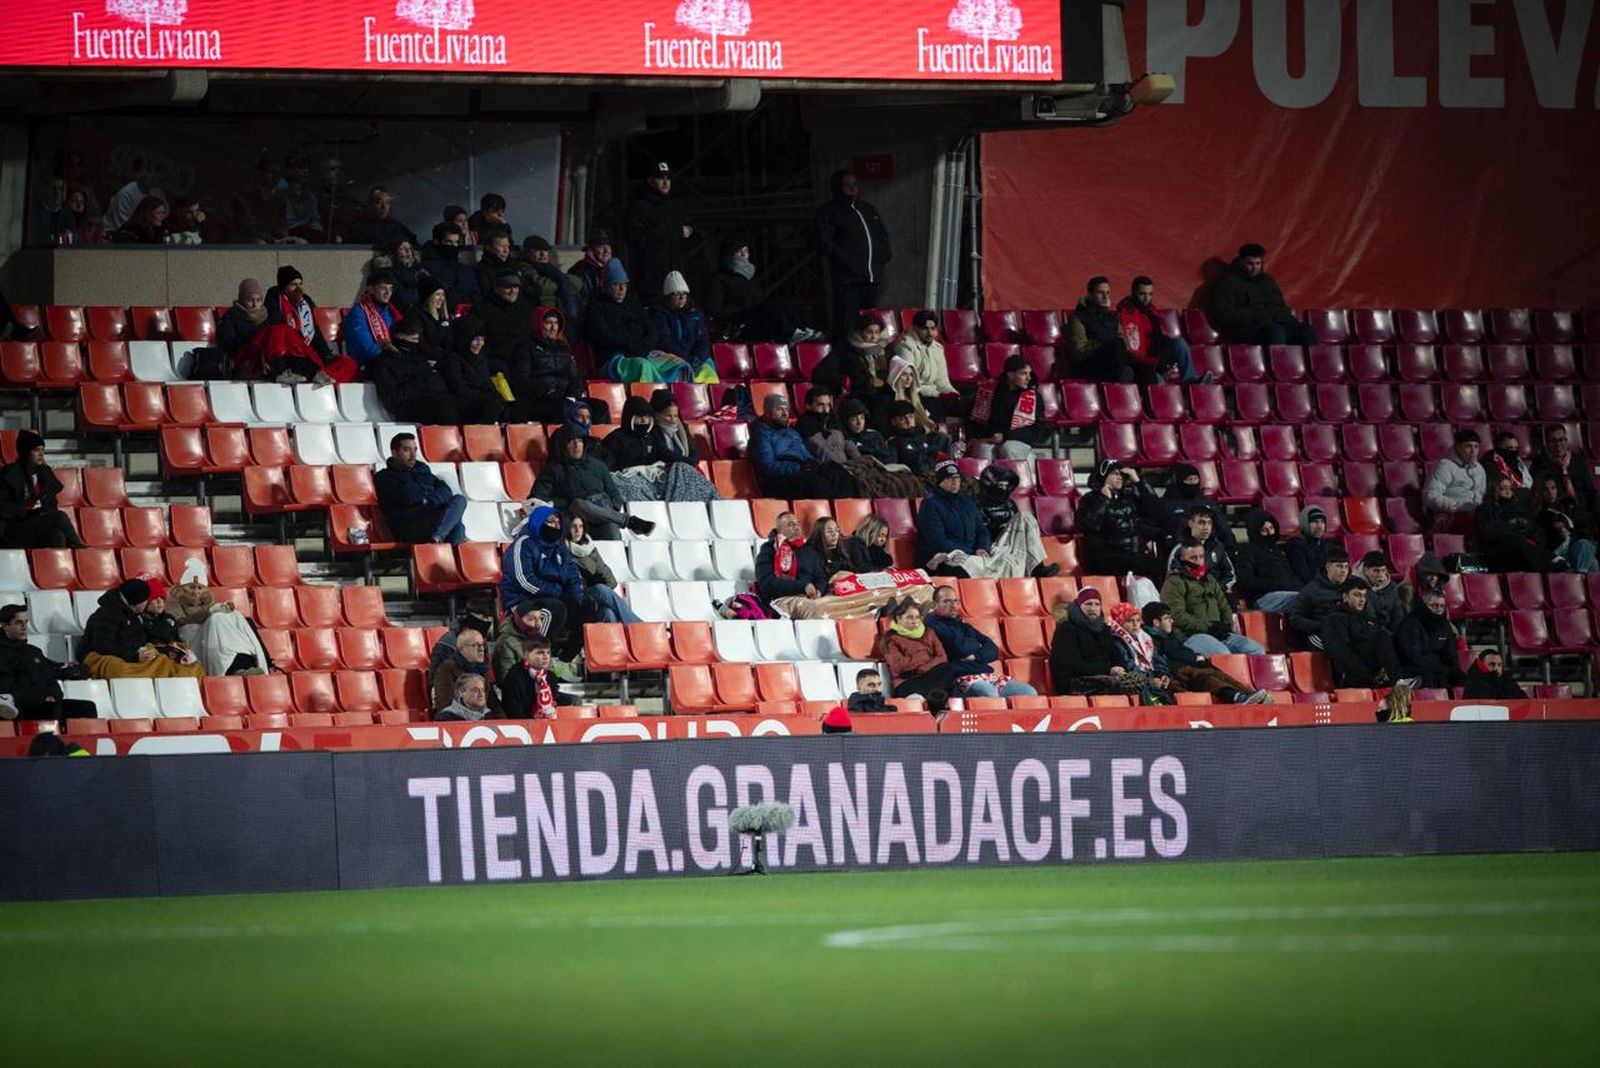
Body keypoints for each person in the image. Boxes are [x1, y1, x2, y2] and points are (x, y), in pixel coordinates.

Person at [498, 506, 586, 660]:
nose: (555, 526)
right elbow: (523, 580)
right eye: (550, 522)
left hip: (553, 597)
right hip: (521, 599)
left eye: (557, 523)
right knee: (553, 610)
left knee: (587, 609)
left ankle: (565, 659)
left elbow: (573, 575)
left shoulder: (560, 547)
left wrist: (575, 597)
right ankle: (535, 657)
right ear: (538, 522)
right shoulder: (523, 544)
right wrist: (558, 592)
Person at [1139, 603, 1270, 704]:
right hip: (1176, 674)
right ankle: (1236, 697)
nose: (1172, 621)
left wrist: (1197, 659)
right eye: (1167, 618)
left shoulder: (1170, 638)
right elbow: (1164, 661)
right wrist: (1195, 659)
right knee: (1204, 676)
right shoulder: (1150, 640)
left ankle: (1249, 694)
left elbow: (1183, 653)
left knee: (1217, 673)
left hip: (1186, 670)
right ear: (1156, 622)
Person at [599, 397, 721, 504]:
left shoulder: (651, 437)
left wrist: (688, 461)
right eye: (639, 417)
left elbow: (666, 454)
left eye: (647, 417)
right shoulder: (616, 438)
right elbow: (605, 466)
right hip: (629, 479)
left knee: (683, 468)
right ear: (630, 417)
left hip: (654, 478)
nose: (644, 421)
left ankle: (715, 503)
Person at [586, 259, 690, 383]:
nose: (621, 289)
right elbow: (604, 336)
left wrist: (645, 346)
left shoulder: (633, 304)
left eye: (624, 284)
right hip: (615, 357)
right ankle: (652, 400)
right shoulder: (596, 307)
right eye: (616, 284)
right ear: (607, 285)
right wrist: (632, 347)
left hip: (643, 352)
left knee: (679, 365)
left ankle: (672, 400)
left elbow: (652, 329)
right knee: (642, 366)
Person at [816, 169, 891, 341]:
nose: (852, 188)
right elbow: (825, 243)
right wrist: (848, 263)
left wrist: (883, 257)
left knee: (870, 324)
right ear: (838, 187)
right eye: (847, 185)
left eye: (855, 184)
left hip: (872, 279)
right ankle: (846, 360)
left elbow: (882, 236)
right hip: (848, 281)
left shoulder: (868, 209)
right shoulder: (829, 211)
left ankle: (869, 359)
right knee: (847, 324)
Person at [926, 585, 1038, 699]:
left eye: (955, 601)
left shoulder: (965, 627)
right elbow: (959, 649)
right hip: (960, 678)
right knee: (989, 693)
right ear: (935, 605)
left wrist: (975, 656)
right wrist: (977, 645)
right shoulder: (933, 626)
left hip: (985, 674)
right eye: (946, 601)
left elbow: (993, 650)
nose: (953, 605)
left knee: (1029, 692)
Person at [82, 579, 205, 680]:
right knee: (119, 671)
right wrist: (135, 656)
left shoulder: (134, 615)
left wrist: (164, 650)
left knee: (169, 662)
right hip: (103, 656)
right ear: (137, 602)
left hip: (132, 655)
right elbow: (103, 646)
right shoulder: (105, 615)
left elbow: (139, 641)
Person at [167, 556, 269, 676]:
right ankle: (231, 669)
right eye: (192, 587)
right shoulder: (173, 600)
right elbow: (179, 622)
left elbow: (213, 614)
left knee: (235, 616)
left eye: (200, 588)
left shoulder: (207, 599)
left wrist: (225, 609)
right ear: (183, 587)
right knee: (216, 619)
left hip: (209, 638)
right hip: (191, 642)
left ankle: (247, 663)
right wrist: (210, 612)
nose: (196, 591)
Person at [1050, 587, 1161, 697]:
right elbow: (1074, 665)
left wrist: (1119, 668)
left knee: (1142, 680)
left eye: (1097, 604)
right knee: (1137, 684)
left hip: (1104, 677)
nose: (1093, 608)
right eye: (1088, 604)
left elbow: (1117, 656)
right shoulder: (1066, 629)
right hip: (1076, 682)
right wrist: (1108, 670)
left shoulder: (1102, 629)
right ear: (1079, 606)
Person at [751, 394, 864, 499]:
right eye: (779, 409)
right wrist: (798, 468)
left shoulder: (792, 432)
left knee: (842, 476)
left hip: (801, 470)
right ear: (767, 413)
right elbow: (768, 466)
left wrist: (814, 464)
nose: (785, 413)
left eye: (786, 409)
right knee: (816, 483)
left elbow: (805, 454)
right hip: (778, 480)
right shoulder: (761, 435)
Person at [1160, 541, 1264, 656]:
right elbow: (1177, 615)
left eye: (1201, 557)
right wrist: (1208, 627)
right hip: (1190, 635)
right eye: (1193, 558)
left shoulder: (1209, 579)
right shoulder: (1174, 582)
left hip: (1218, 632)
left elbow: (1224, 605)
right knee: (1223, 654)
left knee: (1256, 650)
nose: (1198, 561)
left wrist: (1226, 626)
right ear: (1182, 558)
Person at [1207, 242, 1319, 346]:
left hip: (1276, 322)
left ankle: (1310, 367)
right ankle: (1276, 367)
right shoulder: (1228, 283)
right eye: (1250, 264)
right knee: (1277, 333)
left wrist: (1282, 315)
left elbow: (1281, 305)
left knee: (1308, 332)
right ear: (1241, 262)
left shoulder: (1267, 281)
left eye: (1258, 263)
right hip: (1248, 329)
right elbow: (1223, 314)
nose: (1254, 268)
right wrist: (1257, 314)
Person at [0, 604, 98, 721]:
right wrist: (42, 696)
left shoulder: (34, 651)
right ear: (5, 625)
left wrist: (54, 695)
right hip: (22, 705)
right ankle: (48, 739)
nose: (24, 627)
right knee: (51, 708)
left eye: (26, 622)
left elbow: (51, 680)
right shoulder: (3, 654)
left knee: (87, 707)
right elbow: (7, 692)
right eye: (18, 623)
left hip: (44, 701)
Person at [263, 266, 357, 384]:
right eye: (293, 284)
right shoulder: (276, 298)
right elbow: (276, 327)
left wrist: (327, 355)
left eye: (300, 284)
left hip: (309, 352)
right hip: (289, 354)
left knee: (348, 363)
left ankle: (327, 381)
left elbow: (314, 332)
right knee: (282, 330)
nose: (298, 288)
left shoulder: (305, 303)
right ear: (283, 287)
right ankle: (312, 375)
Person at [374, 432, 467, 545]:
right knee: (456, 523)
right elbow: (408, 496)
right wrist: (430, 493)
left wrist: (428, 500)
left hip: (432, 520)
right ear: (395, 453)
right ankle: (447, 547)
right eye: (407, 450)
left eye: (415, 450)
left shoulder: (422, 470)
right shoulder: (384, 477)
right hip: (411, 528)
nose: (413, 455)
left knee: (459, 501)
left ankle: (438, 539)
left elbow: (446, 491)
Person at [1077, 461, 1163, 581]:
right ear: (1104, 476)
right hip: (1106, 557)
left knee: (1162, 565)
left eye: (1121, 474)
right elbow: (1089, 525)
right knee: (1150, 565)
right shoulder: (1089, 499)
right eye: (1115, 474)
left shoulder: (1128, 496)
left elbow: (1156, 510)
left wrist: (1139, 482)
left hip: (1132, 554)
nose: (1119, 477)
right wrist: (1104, 500)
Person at [1321, 579, 1414, 688]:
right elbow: (1342, 655)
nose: (1362, 600)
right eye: (1357, 595)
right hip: (1350, 677)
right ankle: (1398, 681)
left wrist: (1382, 670)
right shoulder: (1334, 620)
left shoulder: (1368, 619)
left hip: (1373, 675)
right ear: (1345, 597)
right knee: (1381, 637)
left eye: (1364, 596)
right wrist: (1369, 676)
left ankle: (1396, 679)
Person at [0, 430, 84, 549]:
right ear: (26, 452)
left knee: (57, 535)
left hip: (34, 525)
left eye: (42, 450)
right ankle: (80, 550)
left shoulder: (45, 473)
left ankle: (61, 566)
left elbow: (51, 504)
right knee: (59, 516)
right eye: (36, 450)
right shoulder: (10, 473)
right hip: (13, 528)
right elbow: (3, 507)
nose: (41, 454)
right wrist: (26, 511)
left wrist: (41, 511)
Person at [368, 318, 461, 425]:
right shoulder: (383, 363)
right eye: (412, 339)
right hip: (406, 407)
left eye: (417, 340)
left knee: (463, 405)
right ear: (399, 337)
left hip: (433, 399)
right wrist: (419, 383)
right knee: (447, 408)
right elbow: (391, 398)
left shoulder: (418, 358)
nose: (416, 344)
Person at [975, 463, 1059, 579]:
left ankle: (1038, 567)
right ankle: (1036, 569)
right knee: (1024, 516)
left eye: (1006, 486)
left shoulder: (1010, 504)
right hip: (992, 546)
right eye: (1000, 485)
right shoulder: (977, 504)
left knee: (1026, 517)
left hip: (1011, 542)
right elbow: (980, 533)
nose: (1003, 489)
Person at [1117, 275, 1206, 384]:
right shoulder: (1126, 314)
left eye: (1150, 294)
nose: (1147, 299)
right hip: (1141, 363)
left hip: (1156, 357)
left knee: (1179, 343)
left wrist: (1166, 349)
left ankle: (1191, 381)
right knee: (1159, 382)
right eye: (1142, 294)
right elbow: (1133, 351)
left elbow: (1158, 338)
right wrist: (1157, 363)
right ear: (1133, 293)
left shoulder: (1151, 311)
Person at [625, 161, 691, 303]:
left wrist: (688, 231)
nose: (665, 182)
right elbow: (634, 237)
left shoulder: (674, 205)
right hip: (652, 278)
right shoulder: (640, 207)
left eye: (668, 178)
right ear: (650, 181)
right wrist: (665, 233)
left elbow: (688, 227)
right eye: (661, 178)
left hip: (675, 273)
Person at [1476, 471, 1563, 573]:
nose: (1508, 492)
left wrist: (1535, 541)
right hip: (1501, 553)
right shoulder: (1486, 509)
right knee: (1519, 544)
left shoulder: (1521, 509)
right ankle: (1551, 562)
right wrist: (1516, 536)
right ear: (1493, 490)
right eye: (1502, 489)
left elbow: (1536, 529)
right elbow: (1488, 533)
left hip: (1524, 549)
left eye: (1510, 488)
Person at [564, 514, 642, 624]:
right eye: (573, 526)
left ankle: (618, 640)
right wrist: (593, 581)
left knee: (607, 612)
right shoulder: (563, 550)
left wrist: (597, 582)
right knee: (600, 589)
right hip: (578, 596)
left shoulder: (589, 548)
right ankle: (638, 627)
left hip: (597, 595)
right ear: (567, 528)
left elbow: (610, 579)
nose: (577, 530)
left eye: (581, 526)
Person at [878, 600, 956, 711]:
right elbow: (898, 666)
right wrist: (922, 657)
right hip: (907, 682)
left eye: (917, 617)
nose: (914, 621)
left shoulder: (929, 632)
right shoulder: (890, 638)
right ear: (899, 619)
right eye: (910, 617)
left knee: (949, 668)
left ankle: (935, 706)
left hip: (929, 676)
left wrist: (924, 668)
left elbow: (941, 657)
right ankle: (935, 706)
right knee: (940, 692)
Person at [968, 355, 1050, 461]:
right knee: (984, 449)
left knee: (1008, 448)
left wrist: (1006, 436)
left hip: (1018, 439)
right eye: (1023, 374)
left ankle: (1014, 476)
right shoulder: (989, 391)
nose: (1028, 378)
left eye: (1029, 373)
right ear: (1010, 375)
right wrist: (976, 437)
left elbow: (1037, 430)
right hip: (990, 438)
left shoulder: (1034, 396)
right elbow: (974, 420)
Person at [915, 461, 990, 576]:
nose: (954, 482)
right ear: (940, 481)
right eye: (949, 478)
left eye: (957, 478)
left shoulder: (967, 502)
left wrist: (981, 548)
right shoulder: (930, 505)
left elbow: (982, 531)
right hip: (943, 561)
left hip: (971, 556)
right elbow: (938, 541)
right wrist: (970, 554)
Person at [811, 313, 891, 417]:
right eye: (869, 332)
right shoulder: (845, 350)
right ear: (860, 332)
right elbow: (819, 373)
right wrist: (844, 380)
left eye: (877, 332)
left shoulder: (886, 349)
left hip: (882, 393)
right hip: (858, 395)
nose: (873, 336)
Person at [434, 315, 509, 424]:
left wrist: (500, 398)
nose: (480, 344)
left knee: (512, 406)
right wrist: (489, 398)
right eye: (475, 339)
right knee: (492, 405)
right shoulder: (451, 359)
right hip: (458, 404)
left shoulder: (481, 358)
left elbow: (486, 384)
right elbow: (459, 388)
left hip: (480, 400)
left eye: (482, 339)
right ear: (464, 339)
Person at [1148, 463, 1233, 551]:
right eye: (1189, 480)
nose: (1192, 483)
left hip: (1209, 549)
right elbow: (1152, 526)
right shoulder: (1165, 504)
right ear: (1180, 481)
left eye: (1195, 479)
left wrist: (1230, 546)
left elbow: (1223, 527)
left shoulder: (1206, 502)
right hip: (1178, 549)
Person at [1066, 276, 1136, 382]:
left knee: (1145, 369)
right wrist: (1101, 341)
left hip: (1114, 363)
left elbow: (1125, 344)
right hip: (1091, 365)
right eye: (1100, 292)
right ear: (1090, 295)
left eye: (1107, 293)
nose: (1105, 297)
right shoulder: (1078, 317)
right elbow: (1079, 351)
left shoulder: (1112, 318)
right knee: (1118, 348)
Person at [893, 310, 960, 419]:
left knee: (967, 405)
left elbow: (942, 380)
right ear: (915, 328)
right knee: (936, 407)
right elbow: (910, 384)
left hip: (934, 394)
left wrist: (953, 394)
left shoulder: (937, 348)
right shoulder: (905, 347)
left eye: (933, 329)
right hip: (915, 395)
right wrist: (938, 394)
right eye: (925, 329)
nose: (930, 333)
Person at [649, 271, 715, 381]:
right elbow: (664, 340)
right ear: (668, 297)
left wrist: (698, 358)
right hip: (672, 356)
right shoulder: (659, 314)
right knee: (680, 368)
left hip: (693, 357)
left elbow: (703, 339)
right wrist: (686, 358)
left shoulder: (695, 313)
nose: (681, 298)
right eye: (676, 294)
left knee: (708, 367)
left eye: (684, 294)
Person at [754, 510, 828, 609]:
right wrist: (802, 586)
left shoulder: (809, 550)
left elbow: (821, 577)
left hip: (811, 597)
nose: (797, 527)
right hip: (783, 599)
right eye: (791, 525)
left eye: (797, 523)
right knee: (817, 609)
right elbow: (767, 583)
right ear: (780, 530)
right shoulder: (769, 549)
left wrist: (819, 589)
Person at [1233, 507, 1302, 612]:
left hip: (1288, 593)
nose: (1270, 533)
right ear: (1255, 531)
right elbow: (1245, 582)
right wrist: (1275, 584)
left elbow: (1291, 576)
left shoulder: (1278, 551)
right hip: (1263, 598)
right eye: (1264, 530)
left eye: (1271, 528)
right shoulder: (1247, 551)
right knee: (1303, 599)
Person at [1394, 589, 1465, 691]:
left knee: (1463, 679)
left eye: (1442, 606)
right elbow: (1412, 657)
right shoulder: (1410, 624)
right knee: (1429, 678)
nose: (1439, 609)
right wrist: (1440, 668)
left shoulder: (1445, 625)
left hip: (1438, 669)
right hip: (1412, 669)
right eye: (1435, 605)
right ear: (1424, 605)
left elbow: (1451, 655)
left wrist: (1452, 670)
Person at [1530, 474, 1600, 572]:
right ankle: (1581, 577)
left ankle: (1581, 577)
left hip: (1574, 546)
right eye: (1546, 489)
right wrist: (1556, 532)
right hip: (1556, 551)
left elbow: (1584, 525)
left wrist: (1570, 531)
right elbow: (1541, 541)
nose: (1551, 493)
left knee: (1592, 561)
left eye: (1553, 488)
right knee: (1589, 555)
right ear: (1541, 492)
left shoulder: (1568, 505)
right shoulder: (1539, 514)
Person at [500, 635, 579, 720]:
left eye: (548, 652)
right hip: (525, 724)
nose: (545, 657)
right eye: (540, 653)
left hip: (549, 722)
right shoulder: (514, 678)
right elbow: (514, 714)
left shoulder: (550, 676)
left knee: (575, 701)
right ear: (526, 655)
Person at [1161, 506, 1236, 592]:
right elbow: (1174, 580)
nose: (1206, 527)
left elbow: (1230, 575)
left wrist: (1217, 589)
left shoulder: (1218, 547)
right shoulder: (1180, 550)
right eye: (1201, 523)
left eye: (1209, 523)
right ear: (1190, 523)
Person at [1288, 549, 1352, 650]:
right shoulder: (1312, 590)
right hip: (1321, 635)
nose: (1343, 571)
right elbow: (1295, 619)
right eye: (1339, 566)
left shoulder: (1353, 588)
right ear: (1328, 567)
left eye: (1346, 567)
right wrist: (1322, 626)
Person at [1531, 425, 1598, 511]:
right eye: (1553, 441)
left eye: (1562, 440)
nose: (1558, 444)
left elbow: (1589, 490)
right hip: (1556, 511)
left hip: (1581, 509)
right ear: (1547, 443)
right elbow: (1538, 495)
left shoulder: (1577, 461)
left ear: (1566, 441)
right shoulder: (1539, 463)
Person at [1423, 430, 1487, 521]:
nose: (1473, 451)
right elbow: (1430, 497)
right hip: (1451, 516)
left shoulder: (1479, 468)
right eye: (1468, 446)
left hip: (1476, 515)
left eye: (1476, 447)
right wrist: (1456, 506)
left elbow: (1481, 495)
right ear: (1458, 448)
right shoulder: (1445, 466)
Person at [342, 269, 399, 370]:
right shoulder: (358, 312)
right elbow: (367, 349)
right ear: (371, 289)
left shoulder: (391, 311)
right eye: (383, 288)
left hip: (387, 360)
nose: (388, 293)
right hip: (366, 363)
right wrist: (396, 357)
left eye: (390, 288)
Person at [431, 626, 495, 714]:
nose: (481, 649)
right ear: (462, 649)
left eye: (483, 645)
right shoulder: (446, 669)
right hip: (458, 722)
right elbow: (446, 705)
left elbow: (494, 704)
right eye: (475, 645)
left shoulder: (483, 669)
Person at [886, 400, 952, 480]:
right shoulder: (894, 443)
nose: (909, 421)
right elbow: (893, 468)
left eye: (910, 416)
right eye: (902, 419)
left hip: (940, 476)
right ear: (894, 422)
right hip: (916, 479)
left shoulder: (932, 438)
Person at [517, 235, 577, 321]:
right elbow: (543, 287)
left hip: (557, 315)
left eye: (545, 251)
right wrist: (561, 281)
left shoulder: (550, 268)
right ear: (527, 252)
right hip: (539, 316)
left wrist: (562, 279)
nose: (543, 254)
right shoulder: (524, 267)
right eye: (538, 251)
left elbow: (578, 282)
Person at [420, 222, 480, 308]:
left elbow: (476, 296)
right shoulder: (425, 269)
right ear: (436, 241)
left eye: (456, 242)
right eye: (449, 242)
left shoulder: (466, 269)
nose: (454, 246)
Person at [346, 186, 416, 250]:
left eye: (387, 202)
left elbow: (414, 244)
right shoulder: (359, 227)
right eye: (379, 202)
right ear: (370, 204)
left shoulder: (396, 226)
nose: (384, 207)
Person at [567, 230, 616, 318]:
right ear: (591, 249)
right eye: (601, 246)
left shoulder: (613, 268)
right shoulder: (581, 271)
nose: (607, 250)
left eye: (608, 245)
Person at [1285, 505, 1332, 585]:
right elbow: (1304, 577)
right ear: (1305, 523)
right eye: (1315, 522)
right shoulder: (1296, 545)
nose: (1320, 526)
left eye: (1322, 522)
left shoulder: (1323, 544)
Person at [1360, 552, 1406, 632]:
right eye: (1376, 571)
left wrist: (1399, 633)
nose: (1381, 575)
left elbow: (1397, 614)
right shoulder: (1356, 587)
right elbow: (1368, 618)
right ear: (1365, 570)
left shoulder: (1392, 587)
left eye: (1383, 570)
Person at [648, 390, 696, 463]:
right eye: (668, 416)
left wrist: (691, 461)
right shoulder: (653, 430)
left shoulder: (682, 428)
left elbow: (693, 450)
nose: (673, 420)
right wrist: (686, 462)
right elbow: (664, 453)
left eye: (675, 416)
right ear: (657, 415)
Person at [1462, 649, 1527, 699]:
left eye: (1499, 665)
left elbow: (1524, 700)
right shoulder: (1474, 685)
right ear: (1482, 665)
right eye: (1491, 664)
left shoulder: (1508, 681)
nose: (1496, 668)